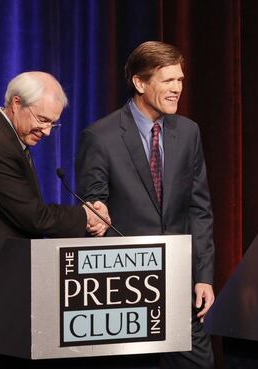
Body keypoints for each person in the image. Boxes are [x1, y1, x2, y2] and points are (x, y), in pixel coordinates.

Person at [0, 71, 110, 368]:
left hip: (0, 293)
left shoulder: (9, 141)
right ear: (16, 103)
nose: (46, 131)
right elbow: (33, 217)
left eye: (53, 124)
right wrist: (86, 215)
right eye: (42, 120)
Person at [76, 41, 215, 368]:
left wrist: (204, 276)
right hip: (126, 288)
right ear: (140, 83)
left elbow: (200, 210)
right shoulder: (101, 136)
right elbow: (94, 219)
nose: (177, 89)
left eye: (180, 80)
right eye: (168, 81)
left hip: (180, 284)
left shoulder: (188, 132)